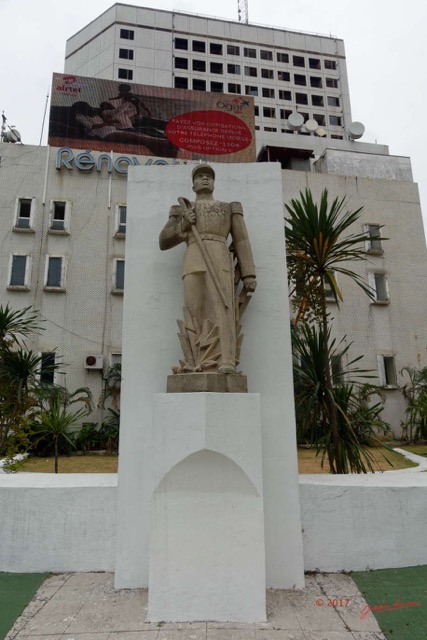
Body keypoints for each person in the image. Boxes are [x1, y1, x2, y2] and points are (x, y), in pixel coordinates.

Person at [159, 164, 256, 374]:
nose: (204, 179)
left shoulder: (229, 207)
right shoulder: (183, 209)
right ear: (193, 184)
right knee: (194, 308)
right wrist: (182, 226)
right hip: (194, 256)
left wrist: (249, 273)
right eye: (200, 176)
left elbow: (242, 240)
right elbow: (164, 241)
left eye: (208, 177)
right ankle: (196, 361)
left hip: (219, 255)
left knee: (222, 307)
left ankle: (226, 359)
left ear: (214, 182)